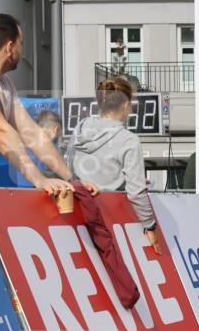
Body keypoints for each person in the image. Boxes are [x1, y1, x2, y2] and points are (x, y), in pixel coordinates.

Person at [0, 14, 94, 197]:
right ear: (9, 47)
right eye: (21, 43)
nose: (22, 51)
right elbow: (0, 132)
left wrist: (72, 180)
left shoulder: (5, 84)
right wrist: (39, 179)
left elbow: (32, 133)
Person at [68, 77, 162, 254]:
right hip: (110, 218)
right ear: (126, 104)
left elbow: (69, 168)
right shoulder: (128, 140)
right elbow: (136, 192)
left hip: (77, 213)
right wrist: (150, 226)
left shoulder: (80, 128)